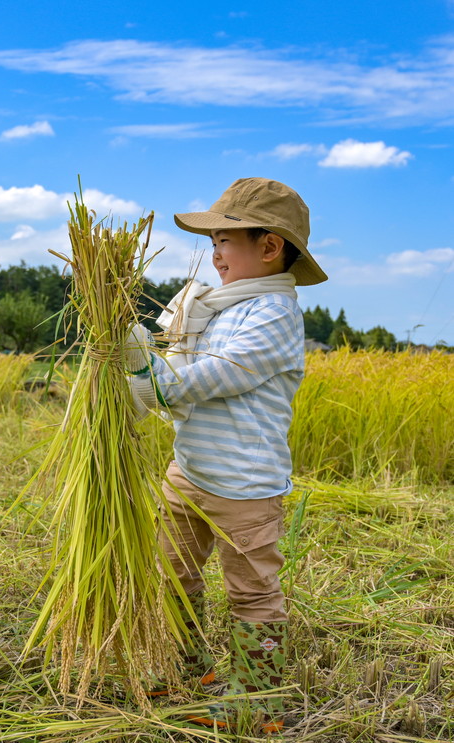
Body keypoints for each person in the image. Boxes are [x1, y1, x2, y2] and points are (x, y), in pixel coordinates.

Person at [124, 177, 327, 733]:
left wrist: (148, 380)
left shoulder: (273, 313)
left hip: (246, 486)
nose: (214, 254)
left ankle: (257, 702)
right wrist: (138, 350)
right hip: (189, 470)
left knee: (252, 593)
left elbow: (215, 376)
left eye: (225, 242)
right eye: (212, 242)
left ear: (269, 247)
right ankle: (187, 665)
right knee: (171, 572)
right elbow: (176, 353)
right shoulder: (212, 306)